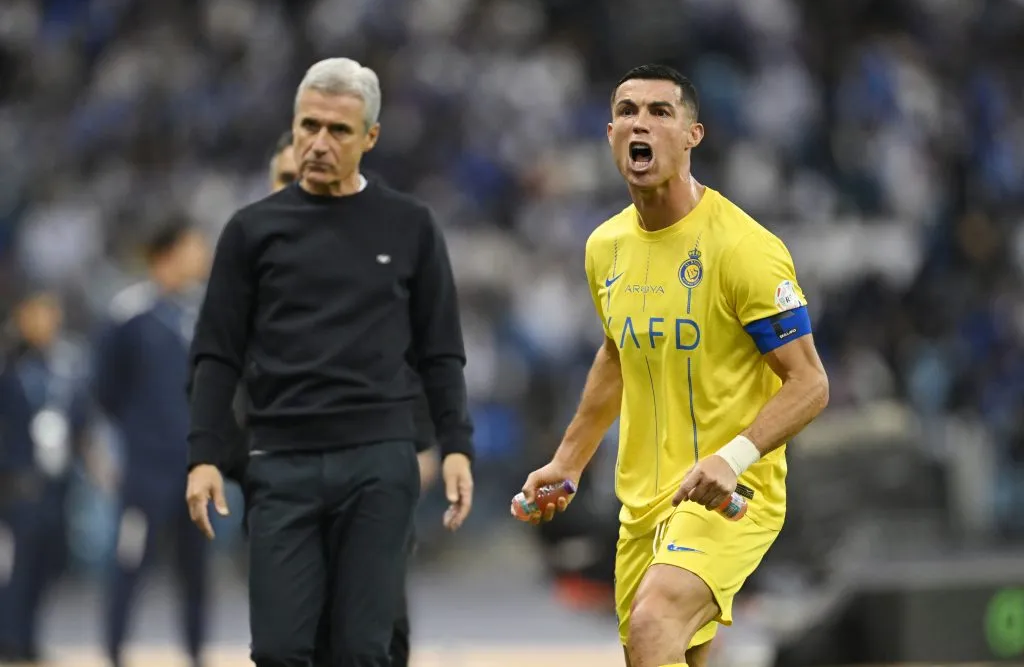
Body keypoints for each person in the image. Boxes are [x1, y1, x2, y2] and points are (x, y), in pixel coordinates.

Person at [519, 64, 830, 667]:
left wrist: (733, 458)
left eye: (661, 112)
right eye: (629, 111)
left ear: (694, 135)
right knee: (667, 650)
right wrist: (568, 461)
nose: (642, 122)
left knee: (655, 619)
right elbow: (616, 354)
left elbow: (811, 383)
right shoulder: (604, 248)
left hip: (728, 495)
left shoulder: (745, 250)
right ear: (611, 134)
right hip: (640, 505)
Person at [185, 57, 474, 667]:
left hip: (378, 460)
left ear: (370, 137)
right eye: (307, 125)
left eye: (338, 130)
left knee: (362, 651)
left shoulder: (410, 225)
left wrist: (456, 445)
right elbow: (217, 353)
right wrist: (204, 454)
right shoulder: (252, 231)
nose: (318, 142)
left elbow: (440, 350)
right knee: (281, 650)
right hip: (280, 464)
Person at [95, 220, 213, 667]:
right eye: (193, 247)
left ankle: (197, 653)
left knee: (195, 570)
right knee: (129, 565)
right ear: (166, 254)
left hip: (194, 467)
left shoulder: (201, 313)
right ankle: (114, 651)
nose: (201, 256)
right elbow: (106, 390)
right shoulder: (129, 315)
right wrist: (133, 439)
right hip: (144, 471)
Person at [0, 287, 89, 665]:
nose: (44, 322)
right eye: (36, 313)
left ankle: (30, 636)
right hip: (17, 485)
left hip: (56, 482)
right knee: (15, 567)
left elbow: (81, 420)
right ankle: (10, 639)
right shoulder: (9, 364)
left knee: (48, 564)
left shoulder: (67, 364)